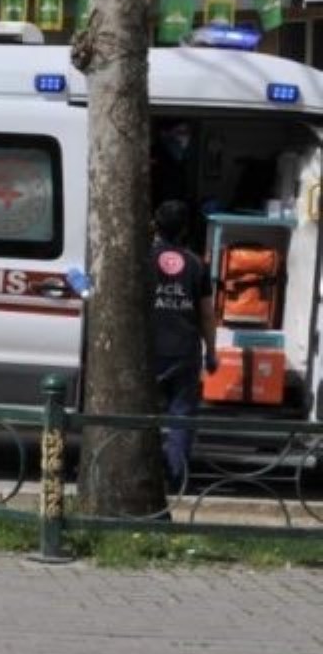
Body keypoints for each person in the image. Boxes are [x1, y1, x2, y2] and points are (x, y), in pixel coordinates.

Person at [150, 199, 218, 489]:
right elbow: (206, 314)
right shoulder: (196, 264)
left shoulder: (141, 259)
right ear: (186, 230)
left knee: (143, 414)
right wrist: (211, 353)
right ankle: (176, 477)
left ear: (155, 225)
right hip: (184, 351)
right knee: (181, 415)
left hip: (148, 350)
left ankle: (145, 472)